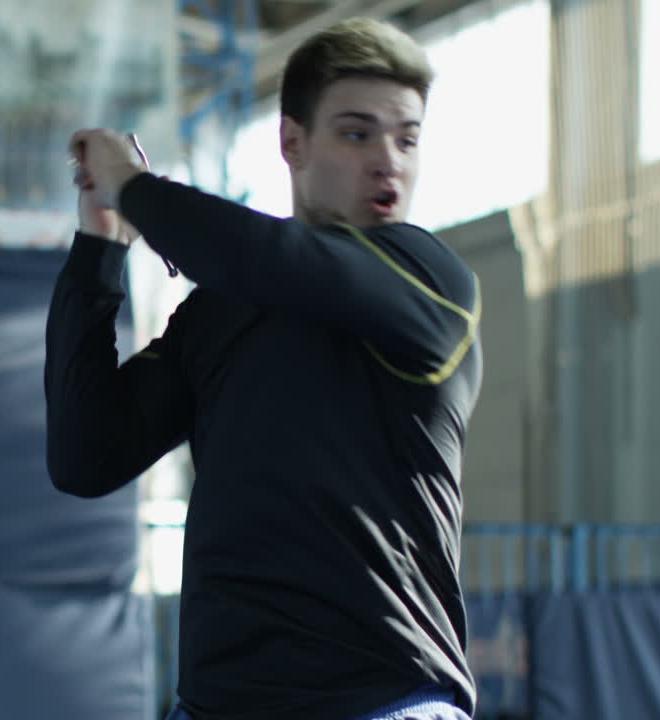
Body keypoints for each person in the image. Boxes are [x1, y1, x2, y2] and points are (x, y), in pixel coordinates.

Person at [45, 17, 482, 720]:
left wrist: (136, 188)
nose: (388, 161)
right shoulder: (222, 312)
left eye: (407, 138)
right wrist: (97, 251)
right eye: (356, 132)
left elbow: (269, 257)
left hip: (382, 704)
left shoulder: (433, 284)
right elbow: (84, 456)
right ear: (291, 142)